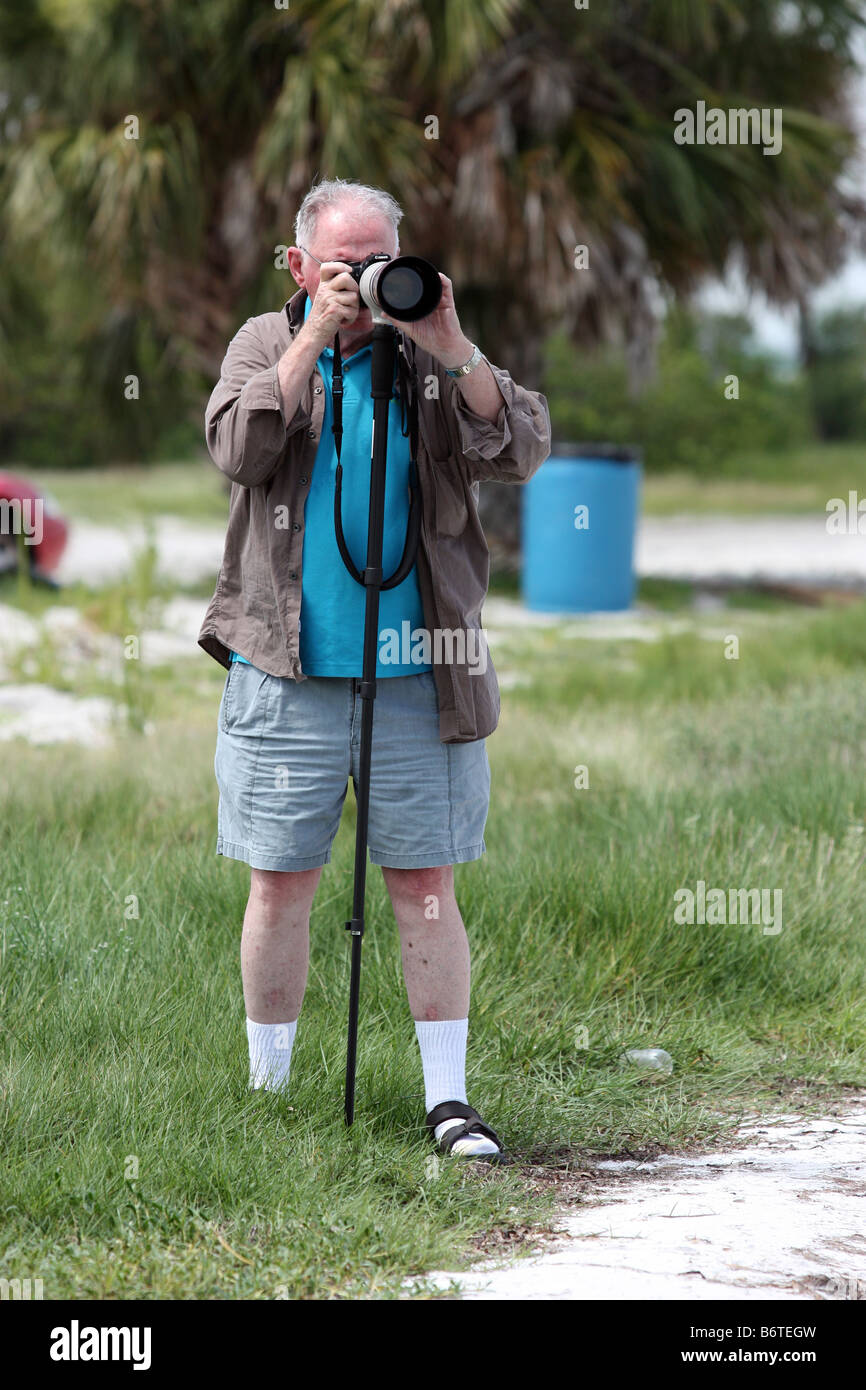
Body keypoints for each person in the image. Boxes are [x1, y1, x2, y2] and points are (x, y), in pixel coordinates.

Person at [198, 178, 551, 1160]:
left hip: (418, 670)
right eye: (340, 262)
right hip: (286, 664)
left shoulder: (423, 355)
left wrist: (450, 344)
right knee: (280, 881)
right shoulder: (263, 347)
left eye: (377, 259)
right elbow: (237, 447)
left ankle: (448, 1102)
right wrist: (314, 337)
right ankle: (268, 1097)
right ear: (297, 264)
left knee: (425, 883)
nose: (359, 278)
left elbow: (517, 442)